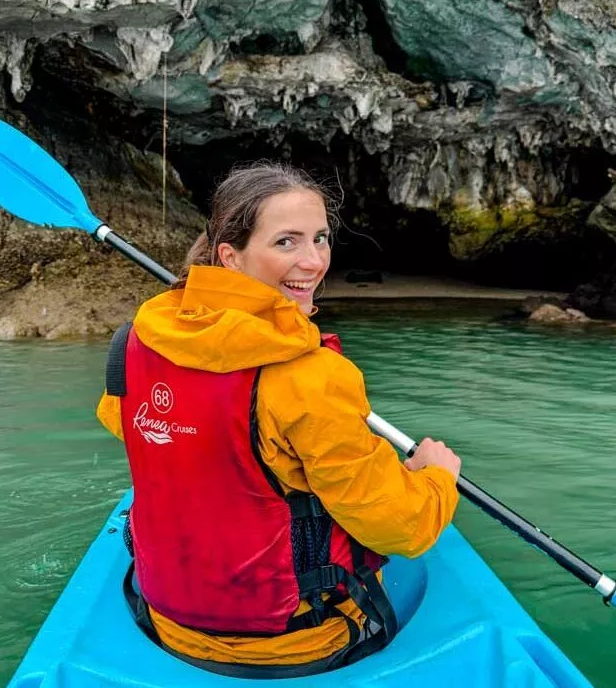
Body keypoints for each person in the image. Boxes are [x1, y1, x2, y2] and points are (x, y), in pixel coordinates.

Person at [96, 161, 461, 676]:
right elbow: (399, 528)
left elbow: (126, 423)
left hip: (164, 620)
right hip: (296, 643)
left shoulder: (133, 343)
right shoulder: (314, 377)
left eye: (320, 238)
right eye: (286, 242)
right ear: (231, 256)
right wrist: (437, 478)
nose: (313, 261)